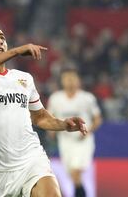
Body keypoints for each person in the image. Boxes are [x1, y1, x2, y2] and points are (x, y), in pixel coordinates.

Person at [0, 23, 87, 197]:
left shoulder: (24, 79)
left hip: (30, 159)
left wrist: (63, 125)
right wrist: (16, 51)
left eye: (2, 38)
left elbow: (40, 117)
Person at [47, 68, 103, 197]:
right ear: (62, 81)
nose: (70, 81)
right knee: (73, 175)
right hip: (65, 141)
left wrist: (88, 131)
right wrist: (51, 131)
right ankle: (80, 193)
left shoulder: (87, 98)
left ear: (78, 81)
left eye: (73, 78)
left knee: (76, 172)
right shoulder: (56, 98)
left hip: (82, 141)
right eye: (67, 78)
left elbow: (97, 118)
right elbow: (50, 117)